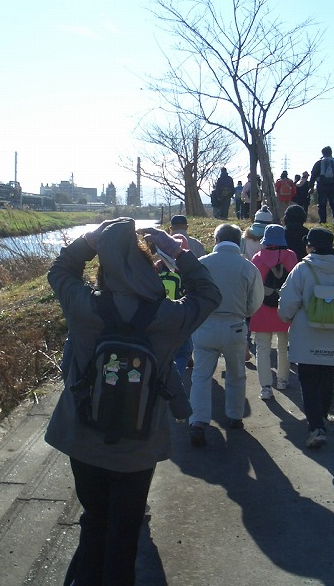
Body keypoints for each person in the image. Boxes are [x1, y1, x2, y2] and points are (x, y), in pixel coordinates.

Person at [46, 218, 221, 585]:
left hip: (84, 438)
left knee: (94, 521)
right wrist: (177, 252)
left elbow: (61, 269)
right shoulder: (167, 316)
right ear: (148, 268)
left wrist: (91, 241)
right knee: (125, 533)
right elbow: (207, 294)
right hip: (139, 445)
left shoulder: (84, 308)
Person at [278, 227, 334, 448]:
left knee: (308, 380)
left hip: (306, 332)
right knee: (327, 376)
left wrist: (286, 316)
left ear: (311, 246)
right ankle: (322, 419)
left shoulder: (302, 269)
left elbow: (288, 301)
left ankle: (315, 427)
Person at [189, 223, 264, 447]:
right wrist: (242, 312)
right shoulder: (248, 267)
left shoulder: (202, 264)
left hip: (206, 325)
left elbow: (191, 295)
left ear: (216, 239)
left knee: (201, 376)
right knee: (236, 374)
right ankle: (234, 416)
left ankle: (198, 421)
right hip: (235, 326)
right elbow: (255, 302)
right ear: (238, 240)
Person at [250, 225, 298, 400]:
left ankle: (266, 388)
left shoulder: (257, 258)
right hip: (284, 309)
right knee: (283, 347)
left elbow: (253, 285)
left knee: (262, 349)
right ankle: (283, 381)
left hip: (261, 309)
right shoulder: (291, 256)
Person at [155, 234, 195, 378]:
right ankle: (175, 381)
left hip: (159, 314)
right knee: (183, 350)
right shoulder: (185, 269)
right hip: (180, 315)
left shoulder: (157, 267)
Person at [309, 146, 334, 225]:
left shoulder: (319, 162)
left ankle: (323, 220)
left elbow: (313, 174)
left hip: (321, 185)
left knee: (322, 204)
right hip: (333, 185)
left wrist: (311, 186)